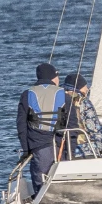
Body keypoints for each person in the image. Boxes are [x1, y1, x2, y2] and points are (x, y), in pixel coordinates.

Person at [16, 62, 65, 195]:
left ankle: (40, 199)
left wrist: (26, 149)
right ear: (53, 77)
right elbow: (72, 122)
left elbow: (21, 124)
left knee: (41, 183)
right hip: (62, 145)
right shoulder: (64, 93)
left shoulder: (27, 94)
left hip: (38, 145)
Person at [57, 73, 102, 158]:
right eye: (85, 86)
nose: (87, 89)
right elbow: (94, 128)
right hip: (86, 151)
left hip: (63, 151)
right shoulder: (84, 102)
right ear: (79, 87)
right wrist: (101, 149)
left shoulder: (58, 100)